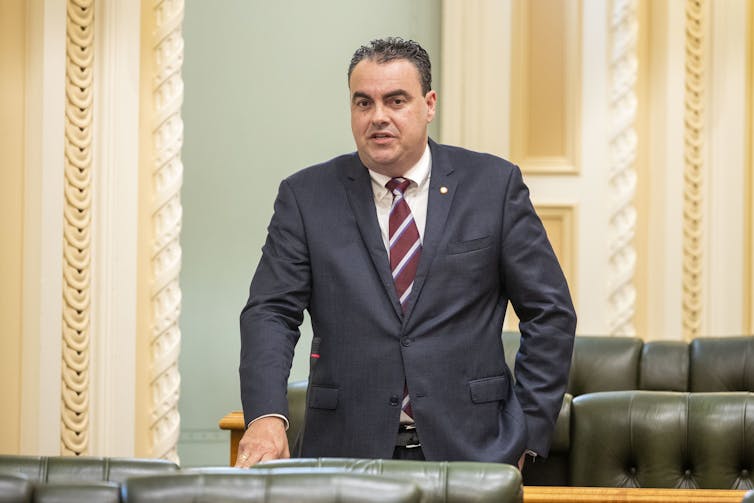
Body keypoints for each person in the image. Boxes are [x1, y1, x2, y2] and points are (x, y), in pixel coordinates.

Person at [236, 37, 576, 469]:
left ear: (429, 104)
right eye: (364, 103)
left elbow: (550, 313)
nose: (378, 117)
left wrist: (525, 433)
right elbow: (270, 312)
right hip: (343, 450)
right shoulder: (306, 197)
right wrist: (266, 415)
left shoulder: (493, 186)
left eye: (396, 101)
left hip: (476, 450)